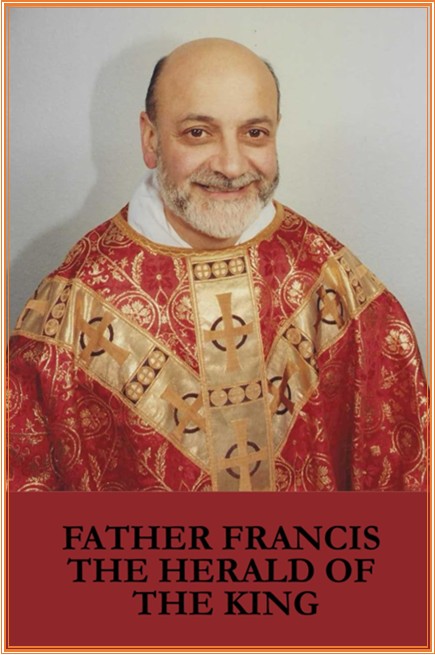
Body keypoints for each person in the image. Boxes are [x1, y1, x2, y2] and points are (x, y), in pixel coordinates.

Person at [8, 38, 428, 492]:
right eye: (198, 132)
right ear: (150, 138)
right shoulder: (72, 309)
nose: (230, 166)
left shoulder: (332, 285)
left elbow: (406, 483)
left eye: (254, 133)